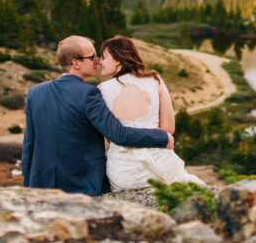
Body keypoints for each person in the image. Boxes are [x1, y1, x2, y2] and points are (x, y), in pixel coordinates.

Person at [21, 34, 173, 196]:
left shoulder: (35, 93)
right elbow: (118, 135)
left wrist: (28, 186)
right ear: (76, 63)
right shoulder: (89, 94)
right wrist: (161, 137)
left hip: (40, 185)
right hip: (81, 186)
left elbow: (29, 144)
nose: (97, 61)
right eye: (92, 57)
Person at [98, 35, 205, 190]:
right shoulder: (155, 81)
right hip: (163, 167)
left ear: (117, 60)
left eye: (103, 57)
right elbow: (168, 130)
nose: (100, 61)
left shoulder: (102, 90)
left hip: (125, 174)